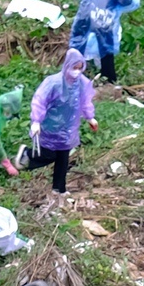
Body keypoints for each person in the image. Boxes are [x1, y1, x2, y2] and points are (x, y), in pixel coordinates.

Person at [26, 49, 96, 195]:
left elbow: (85, 102)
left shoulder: (82, 83)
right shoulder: (54, 82)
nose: (76, 71)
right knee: (49, 154)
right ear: (67, 65)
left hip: (68, 129)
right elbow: (39, 100)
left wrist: (90, 117)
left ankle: (59, 188)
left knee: (63, 160)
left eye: (79, 68)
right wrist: (36, 121)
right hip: (51, 125)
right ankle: (26, 156)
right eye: (74, 67)